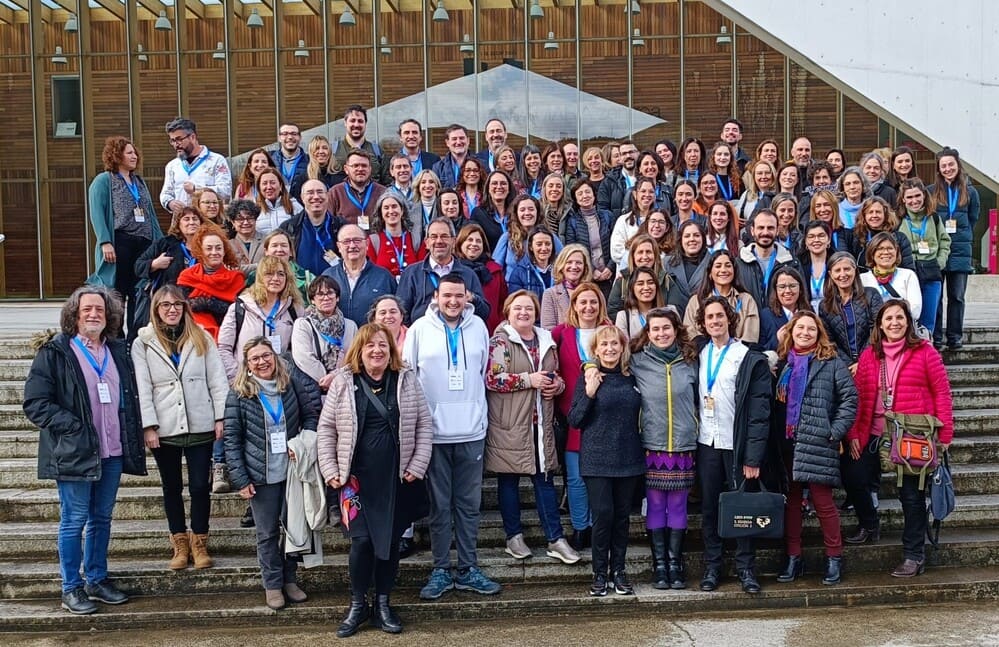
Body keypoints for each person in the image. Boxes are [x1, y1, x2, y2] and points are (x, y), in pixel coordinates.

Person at [22, 286, 146, 615]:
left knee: (101, 519)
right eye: (87, 309)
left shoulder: (118, 350)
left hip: (112, 450)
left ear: (109, 317)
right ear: (74, 315)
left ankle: (97, 578)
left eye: (100, 310)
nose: (94, 314)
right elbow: (35, 403)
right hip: (74, 452)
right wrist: (74, 427)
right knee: (74, 520)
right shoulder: (56, 352)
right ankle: (71, 587)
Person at [318, 323, 433, 637]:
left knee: (391, 544)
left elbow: (424, 425)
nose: (377, 351)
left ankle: (383, 603)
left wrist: (418, 464)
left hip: (397, 479)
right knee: (362, 542)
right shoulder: (344, 382)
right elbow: (326, 429)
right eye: (370, 345)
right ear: (360, 349)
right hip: (354, 481)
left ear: (391, 349)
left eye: (382, 345)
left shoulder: (406, 380)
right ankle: (358, 604)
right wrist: (330, 470)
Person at [402, 273, 502, 600]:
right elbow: (409, 377)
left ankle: (469, 567)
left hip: (471, 430)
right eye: (447, 296)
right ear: (436, 296)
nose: (453, 301)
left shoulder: (479, 330)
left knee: (469, 505)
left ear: (467, 296)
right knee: (440, 506)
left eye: (459, 296)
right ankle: (441, 568)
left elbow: (483, 372)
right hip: (434, 433)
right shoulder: (418, 330)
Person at [847, 300, 954, 577]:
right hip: (873, 432)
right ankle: (870, 524)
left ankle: (913, 554)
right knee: (855, 477)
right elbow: (858, 398)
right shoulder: (870, 355)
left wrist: (945, 434)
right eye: (888, 319)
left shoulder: (926, 352)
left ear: (908, 322)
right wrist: (854, 434)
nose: (894, 323)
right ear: (880, 325)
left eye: (899, 318)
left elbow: (942, 393)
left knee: (911, 496)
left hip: (912, 436)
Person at [132, 286, 229, 571]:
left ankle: (199, 541)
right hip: (165, 427)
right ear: (156, 309)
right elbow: (142, 386)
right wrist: (148, 426)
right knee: (171, 487)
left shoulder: (201, 336)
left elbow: (218, 380)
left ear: (185, 308)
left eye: (177, 304)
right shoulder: (144, 342)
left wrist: (221, 417)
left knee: (200, 486)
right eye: (165, 305)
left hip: (200, 423)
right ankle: (179, 543)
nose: (171, 309)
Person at [223, 336, 319, 610]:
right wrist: (240, 479)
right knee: (266, 533)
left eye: (266, 356)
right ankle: (272, 585)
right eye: (255, 358)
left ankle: (290, 580)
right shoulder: (239, 393)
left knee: (292, 530)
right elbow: (231, 439)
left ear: (275, 358)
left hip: (291, 472)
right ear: (248, 365)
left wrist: (303, 443)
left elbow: (310, 415)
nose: (262, 362)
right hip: (259, 475)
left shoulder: (290, 385)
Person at [485, 291, 579, 564]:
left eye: (528, 308)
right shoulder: (500, 341)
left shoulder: (546, 340)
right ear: (508, 312)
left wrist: (556, 385)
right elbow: (493, 379)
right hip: (511, 423)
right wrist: (530, 379)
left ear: (536, 312)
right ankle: (513, 537)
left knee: (545, 480)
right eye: (518, 309)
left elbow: (556, 374)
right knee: (509, 481)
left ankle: (556, 539)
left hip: (541, 423)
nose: (523, 313)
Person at [773, 311, 857, 586]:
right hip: (788, 442)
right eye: (800, 328)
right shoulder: (784, 363)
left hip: (819, 440)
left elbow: (849, 399)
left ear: (819, 333)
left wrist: (834, 432)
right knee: (793, 503)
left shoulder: (831, 362)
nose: (805, 332)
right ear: (791, 332)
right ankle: (793, 558)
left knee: (823, 504)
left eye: (811, 328)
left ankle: (834, 558)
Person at [694, 296, 770, 594]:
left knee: (741, 508)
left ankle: (745, 568)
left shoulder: (748, 357)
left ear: (730, 318)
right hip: (707, 443)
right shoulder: (699, 354)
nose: (715, 321)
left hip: (737, 446)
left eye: (719, 316)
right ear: (703, 323)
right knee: (711, 508)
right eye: (709, 317)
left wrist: (753, 457)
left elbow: (759, 413)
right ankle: (713, 567)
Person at [568, 325, 645, 597]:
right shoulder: (589, 377)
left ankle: (619, 571)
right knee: (603, 516)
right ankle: (599, 573)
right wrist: (589, 393)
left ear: (622, 347)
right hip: (597, 460)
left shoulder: (631, 376)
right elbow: (575, 419)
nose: (610, 349)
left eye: (615, 344)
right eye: (604, 345)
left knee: (622, 518)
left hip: (629, 458)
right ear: (595, 350)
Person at [630, 307, 699, 589]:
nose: (661, 333)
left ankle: (675, 562)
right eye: (655, 329)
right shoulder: (637, 361)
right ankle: (659, 564)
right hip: (652, 443)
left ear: (676, 330)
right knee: (656, 504)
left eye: (666, 328)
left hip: (683, 442)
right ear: (648, 333)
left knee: (679, 504)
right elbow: (605, 359)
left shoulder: (690, 360)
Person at [550, 283, 610, 551]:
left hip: (604, 417)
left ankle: (599, 528)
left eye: (593, 302)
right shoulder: (561, 333)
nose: (588, 307)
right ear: (573, 306)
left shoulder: (610, 333)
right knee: (574, 478)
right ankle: (580, 528)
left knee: (600, 479)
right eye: (582, 302)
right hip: (573, 415)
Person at [87, 136, 164, 335]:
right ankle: (116, 337)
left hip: (143, 244)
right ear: (117, 155)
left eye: (134, 152)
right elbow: (97, 212)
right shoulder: (104, 180)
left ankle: (135, 335)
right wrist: (105, 241)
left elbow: (150, 213)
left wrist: (160, 242)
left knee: (139, 291)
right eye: (129, 152)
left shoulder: (139, 181)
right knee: (117, 292)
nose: (134, 156)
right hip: (120, 242)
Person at [218, 255, 302, 384]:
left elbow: (300, 349)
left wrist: (286, 375)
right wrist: (237, 378)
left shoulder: (295, 309)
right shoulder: (240, 308)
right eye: (269, 274)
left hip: (281, 383)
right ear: (260, 278)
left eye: (281, 274)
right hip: (246, 384)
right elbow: (224, 348)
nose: (275, 278)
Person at [929, 147, 979, 350]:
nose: (948, 168)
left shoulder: (970, 191)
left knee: (957, 296)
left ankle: (955, 337)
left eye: (951, 164)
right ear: (939, 169)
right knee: (937, 297)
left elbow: (973, 218)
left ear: (958, 166)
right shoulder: (931, 191)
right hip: (937, 250)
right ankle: (937, 338)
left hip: (960, 251)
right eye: (944, 166)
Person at [396, 217, 491, 325]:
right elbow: (401, 314)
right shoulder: (412, 273)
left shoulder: (468, 274)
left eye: (444, 236)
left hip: (459, 337)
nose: (439, 241)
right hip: (424, 338)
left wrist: (472, 298)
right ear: (426, 243)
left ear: (453, 241)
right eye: (434, 236)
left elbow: (484, 313)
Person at [898, 178, 951, 335]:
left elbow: (945, 241)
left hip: (931, 272)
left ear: (924, 196)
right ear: (903, 199)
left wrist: (940, 262)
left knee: (928, 320)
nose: (914, 201)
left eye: (917, 196)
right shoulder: (898, 220)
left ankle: (927, 354)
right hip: (909, 272)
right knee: (909, 318)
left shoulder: (933, 218)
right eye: (909, 197)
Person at [176, 224, 245, 340]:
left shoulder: (236, 278)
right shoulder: (187, 276)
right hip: (191, 335)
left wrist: (207, 303)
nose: (214, 252)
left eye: (218, 248)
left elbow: (238, 311)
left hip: (228, 336)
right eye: (209, 248)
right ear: (200, 251)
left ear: (224, 251)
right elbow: (183, 306)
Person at [321, 224, 397, 328]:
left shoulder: (384, 277)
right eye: (346, 241)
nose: (352, 246)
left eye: (357, 240)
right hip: (337, 341)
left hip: (372, 341)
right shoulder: (328, 276)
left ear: (367, 243)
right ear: (339, 247)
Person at [818, 252, 883, 371]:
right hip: (843, 366)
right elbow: (828, 340)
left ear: (855, 270)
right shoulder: (825, 306)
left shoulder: (871, 295)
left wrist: (862, 361)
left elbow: (878, 329)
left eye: (847, 269)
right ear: (830, 274)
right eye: (837, 270)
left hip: (873, 360)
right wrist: (849, 364)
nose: (843, 274)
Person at [291, 275, 358, 390]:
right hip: (315, 389)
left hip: (346, 387)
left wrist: (336, 377)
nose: (326, 298)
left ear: (337, 297)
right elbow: (303, 358)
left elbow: (355, 358)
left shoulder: (351, 326)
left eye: (330, 293)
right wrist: (326, 379)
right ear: (312, 299)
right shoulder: (303, 324)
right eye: (320, 294)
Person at [683, 249, 760, 344]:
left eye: (728, 266)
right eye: (718, 266)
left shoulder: (746, 300)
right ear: (710, 273)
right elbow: (689, 333)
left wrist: (734, 351)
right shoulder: (696, 301)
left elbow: (750, 337)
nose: (723, 270)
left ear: (734, 271)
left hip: (739, 356)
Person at [161, 117, 232, 213]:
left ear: (192, 137)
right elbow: (165, 193)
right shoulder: (172, 165)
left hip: (209, 221)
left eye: (179, 139)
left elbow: (226, 191)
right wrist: (170, 203)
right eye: (172, 141)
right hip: (183, 222)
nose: (176, 144)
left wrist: (197, 189)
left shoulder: (217, 160)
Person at [275, 179, 342, 278]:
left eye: (320, 192)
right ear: (302, 197)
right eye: (310, 193)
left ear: (327, 196)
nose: (316, 197)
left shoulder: (341, 226)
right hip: (299, 286)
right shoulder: (288, 227)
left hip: (334, 287)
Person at [134, 206, 205, 299]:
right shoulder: (165, 243)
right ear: (178, 224)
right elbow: (138, 266)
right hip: (168, 299)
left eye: (195, 219)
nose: (191, 222)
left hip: (199, 299)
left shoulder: (207, 244)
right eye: (186, 219)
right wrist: (154, 264)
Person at [736, 210, 798, 311]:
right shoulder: (739, 263)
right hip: (749, 321)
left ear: (777, 230)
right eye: (761, 228)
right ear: (752, 231)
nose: (765, 232)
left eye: (770, 228)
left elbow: (801, 299)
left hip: (780, 323)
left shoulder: (791, 262)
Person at [454, 223, 508, 334]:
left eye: (478, 241)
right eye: (469, 240)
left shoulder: (495, 271)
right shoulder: (452, 270)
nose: (474, 244)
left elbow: (503, 303)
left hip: (491, 331)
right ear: (460, 243)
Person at [562, 180, 615, 293]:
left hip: (609, 274)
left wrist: (610, 267)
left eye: (587, 192)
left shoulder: (607, 216)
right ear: (575, 199)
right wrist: (591, 269)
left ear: (594, 194)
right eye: (580, 194)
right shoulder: (572, 222)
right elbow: (572, 249)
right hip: (586, 277)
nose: (584, 196)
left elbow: (616, 245)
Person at [859, 233, 922, 318]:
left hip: (900, 327)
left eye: (890, 248)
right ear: (872, 253)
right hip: (873, 328)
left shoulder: (908, 275)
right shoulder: (862, 279)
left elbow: (915, 311)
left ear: (896, 252)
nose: (885, 252)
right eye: (880, 249)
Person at [607, 234, 666, 321]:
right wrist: (635, 324)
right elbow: (612, 310)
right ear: (633, 256)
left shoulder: (666, 279)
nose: (645, 256)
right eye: (640, 252)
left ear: (655, 255)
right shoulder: (623, 280)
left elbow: (676, 307)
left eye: (648, 252)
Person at [366, 193, 423, 279]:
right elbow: (370, 274)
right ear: (380, 213)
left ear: (402, 210)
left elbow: (421, 272)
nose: (391, 211)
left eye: (394, 206)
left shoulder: (415, 239)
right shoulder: (373, 241)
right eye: (386, 208)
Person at [327, 150, 387, 232]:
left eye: (364, 166)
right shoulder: (334, 193)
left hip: (375, 243)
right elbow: (327, 223)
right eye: (355, 165)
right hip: (348, 243)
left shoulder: (383, 192)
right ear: (346, 169)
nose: (360, 169)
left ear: (370, 169)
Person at [854, 196, 915, 272]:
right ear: (864, 215)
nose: (874, 215)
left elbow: (908, 269)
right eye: (870, 212)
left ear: (885, 214)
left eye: (878, 212)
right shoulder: (856, 238)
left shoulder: (900, 238)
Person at [540, 244, 592, 330]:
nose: (574, 267)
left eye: (578, 263)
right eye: (569, 262)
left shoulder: (594, 292)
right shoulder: (550, 294)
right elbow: (547, 330)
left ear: (585, 267)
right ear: (562, 266)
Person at [759, 266, 810, 351]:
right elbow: (760, 351)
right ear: (775, 290)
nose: (787, 291)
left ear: (800, 288)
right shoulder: (765, 315)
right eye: (782, 287)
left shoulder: (809, 311)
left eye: (792, 286)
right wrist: (777, 340)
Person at [610, 178, 658, 269]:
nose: (647, 195)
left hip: (654, 273)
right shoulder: (623, 221)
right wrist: (638, 263)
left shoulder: (658, 221)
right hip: (628, 272)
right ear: (635, 194)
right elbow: (616, 251)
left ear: (655, 196)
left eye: (651, 192)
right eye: (643, 191)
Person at [664, 220, 709, 315]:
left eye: (696, 235)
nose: (692, 239)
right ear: (680, 240)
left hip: (703, 318)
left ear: (703, 239)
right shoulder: (667, 263)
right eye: (687, 236)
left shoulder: (713, 263)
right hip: (673, 320)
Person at [331, 104, 384, 182]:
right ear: (345, 123)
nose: (356, 125)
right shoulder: (333, 150)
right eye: (352, 120)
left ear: (365, 124)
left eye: (360, 121)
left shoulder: (377, 151)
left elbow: (387, 182)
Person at [469, 169, 515, 251]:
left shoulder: (517, 213)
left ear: (509, 189)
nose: (499, 187)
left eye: (503, 183)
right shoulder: (478, 214)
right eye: (494, 183)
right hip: (489, 261)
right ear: (488, 189)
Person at [507, 228, 557, 304]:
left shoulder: (560, 271)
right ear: (531, 247)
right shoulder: (519, 273)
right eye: (539, 244)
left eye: (547, 244)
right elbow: (516, 303)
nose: (544, 248)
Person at [615, 267, 664, 339]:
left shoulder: (671, 311)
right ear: (632, 288)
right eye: (640, 284)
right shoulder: (623, 317)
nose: (646, 287)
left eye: (650, 283)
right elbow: (623, 348)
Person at [808, 189, 859, 257]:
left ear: (834, 207)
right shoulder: (807, 236)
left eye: (827, 205)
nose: (823, 209)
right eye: (818, 206)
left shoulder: (848, 235)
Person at [596, 140, 639, 217]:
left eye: (631, 152)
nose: (628, 156)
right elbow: (602, 210)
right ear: (620, 158)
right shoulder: (609, 181)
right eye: (624, 154)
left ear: (638, 153)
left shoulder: (647, 177)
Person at [254, 168, 302, 236]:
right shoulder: (255, 209)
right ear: (259, 188)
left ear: (281, 185)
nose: (269, 187)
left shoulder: (294, 206)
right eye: (264, 183)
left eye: (273, 183)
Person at [798, 221, 834, 311]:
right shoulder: (798, 265)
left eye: (821, 236)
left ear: (829, 239)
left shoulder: (837, 264)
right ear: (805, 241)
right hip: (806, 315)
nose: (816, 240)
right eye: (811, 237)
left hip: (834, 315)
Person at [270, 122, 310, 202]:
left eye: (294, 134)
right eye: (285, 134)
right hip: (275, 208)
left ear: (300, 137)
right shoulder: (269, 160)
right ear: (279, 138)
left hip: (302, 208)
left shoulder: (310, 161)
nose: (290, 137)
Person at [393, 118, 440, 184]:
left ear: (420, 136)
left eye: (414, 132)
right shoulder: (391, 160)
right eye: (407, 133)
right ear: (400, 137)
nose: (411, 136)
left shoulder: (434, 160)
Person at [734, 159, 777, 225]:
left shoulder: (778, 196)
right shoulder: (747, 194)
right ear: (754, 176)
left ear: (773, 175)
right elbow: (737, 215)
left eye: (767, 173)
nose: (763, 176)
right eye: (759, 173)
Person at [227, 200, 266, 269]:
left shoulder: (267, 241)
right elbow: (231, 269)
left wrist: (242, 268)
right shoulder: (228, 245)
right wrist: (259, 266)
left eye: (249, 218)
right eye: (240, 219)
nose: (245, 222)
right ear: (233, 222)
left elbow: (271, 264)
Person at [432, 124, 471, 190]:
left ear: (468, 141)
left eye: (461, 138)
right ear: (447, 143)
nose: (458, 142)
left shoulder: (480, 164)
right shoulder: (438, 167)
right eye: (454, 139)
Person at [456, 157, 487, 222]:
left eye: (475, 170)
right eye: (468, 170)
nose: (472, 174)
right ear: (462, 173)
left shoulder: (486, 195)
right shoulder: (456, 195)